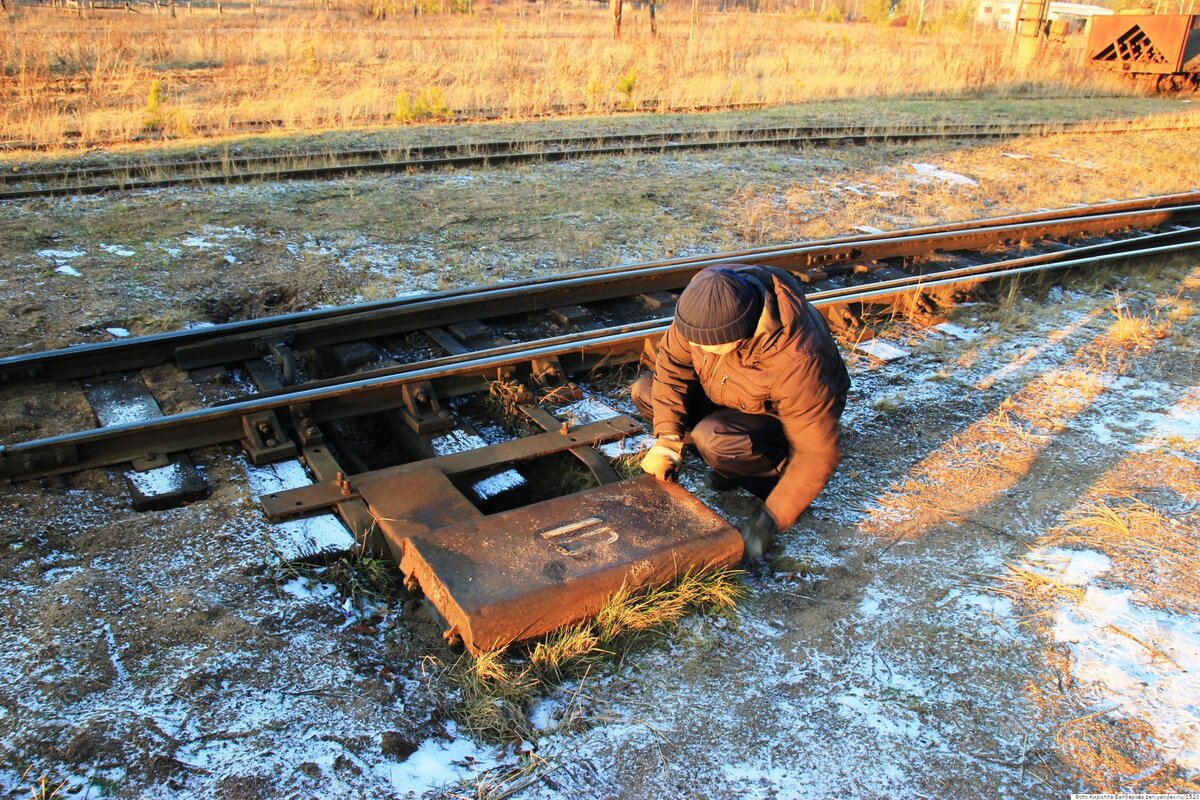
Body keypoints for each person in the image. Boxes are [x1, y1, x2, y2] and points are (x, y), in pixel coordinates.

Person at [634, 264, 851, 560]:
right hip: (731, 391)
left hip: (782, 419)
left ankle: (771, 479)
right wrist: (668, 441)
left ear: (739, 334)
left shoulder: (797, 357)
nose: (694, 347)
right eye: (693, 340)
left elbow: (817, 453)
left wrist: (768, 520)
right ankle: (730, 465)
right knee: (646, 391)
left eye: (707, 345)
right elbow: (672, 367)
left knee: (714, 437)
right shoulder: (703, 306)